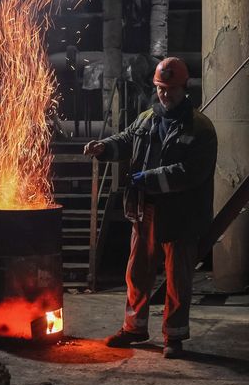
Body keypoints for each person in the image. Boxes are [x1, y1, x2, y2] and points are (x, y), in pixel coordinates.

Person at [83, 57, 217, 358]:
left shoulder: (200, 128)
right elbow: (128, 139)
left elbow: (191, 173)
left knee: (177, 277)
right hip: (146, 210)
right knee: (138, 271)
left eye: (170, 89)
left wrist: (149, 178)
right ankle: (135, 328)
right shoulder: (147, 118)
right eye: (159, 88)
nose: (164, 94)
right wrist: (105, 147)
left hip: (181, 214)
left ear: (184, 88)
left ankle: (174, 336)